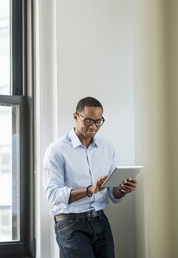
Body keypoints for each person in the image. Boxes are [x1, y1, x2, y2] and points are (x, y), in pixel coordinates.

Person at [43, 97, 137, 258]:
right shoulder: (57, 150)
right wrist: (89, 190)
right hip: (70, 224)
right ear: (75, 117)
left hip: (101, 220)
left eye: (98, 121)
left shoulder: (107, 147)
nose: (93, 126)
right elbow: (53, 195)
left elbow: (111, 193)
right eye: (88, 120)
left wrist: (122, 190)